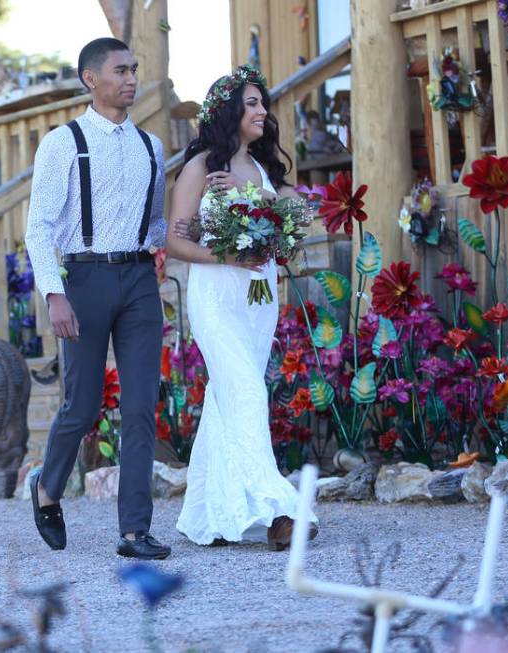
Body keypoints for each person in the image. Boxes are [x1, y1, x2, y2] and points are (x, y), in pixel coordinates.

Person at [24, 37, 170, 560]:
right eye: (120, 70)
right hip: (82, 281)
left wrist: (161, 244)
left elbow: (154, 220)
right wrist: (54, 294)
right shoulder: (63, 142)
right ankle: (47, 487)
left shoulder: (151, 146)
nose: (131, 78)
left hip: (137, 284)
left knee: (140, 408)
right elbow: (38, 228)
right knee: (81, 404)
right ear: (91, 78)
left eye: (135, 69)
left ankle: (134, 531)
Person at [165, 65, 319, 550]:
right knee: (247, 391)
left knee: (229, 397)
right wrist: (229, 253)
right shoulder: (199, 168)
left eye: (262, 103)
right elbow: (175, 241)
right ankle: (281, 512)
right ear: (228, 112)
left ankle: (209, 514)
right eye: (250, 103)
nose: (261, 111)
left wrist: (268, 222)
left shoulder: (263, 170)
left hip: (258, 297)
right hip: (216, 296)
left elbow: (289, 225)